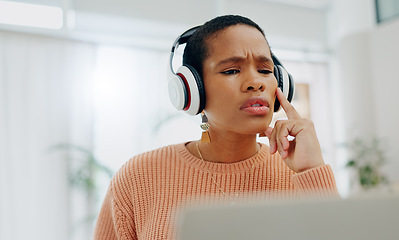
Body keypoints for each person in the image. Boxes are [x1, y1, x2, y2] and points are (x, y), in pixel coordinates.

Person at [94, 15, 337, 240]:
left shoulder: (301, 176)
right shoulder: (138, 176)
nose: (256, 83)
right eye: (232, 70)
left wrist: (311, 170)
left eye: (265, 70)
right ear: (192, 89)